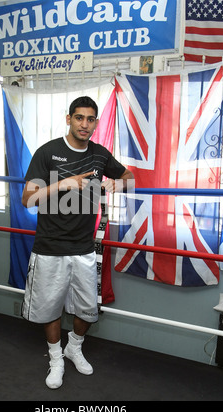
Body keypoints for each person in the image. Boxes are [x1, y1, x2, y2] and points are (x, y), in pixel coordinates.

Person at [21, 96, 134, 389]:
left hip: (84, 249)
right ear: (69, 118)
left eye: (90, 119)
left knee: (88, 311)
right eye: (79, 118)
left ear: (95, 122)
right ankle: (56, 358)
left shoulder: (99, 154)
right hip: (50, 247)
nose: (85, 124)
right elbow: (27, 199)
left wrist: (115, 183)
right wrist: (63, 184)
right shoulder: (48, 152)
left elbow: (130, 178)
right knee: (49, 309)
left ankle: (74, 345)